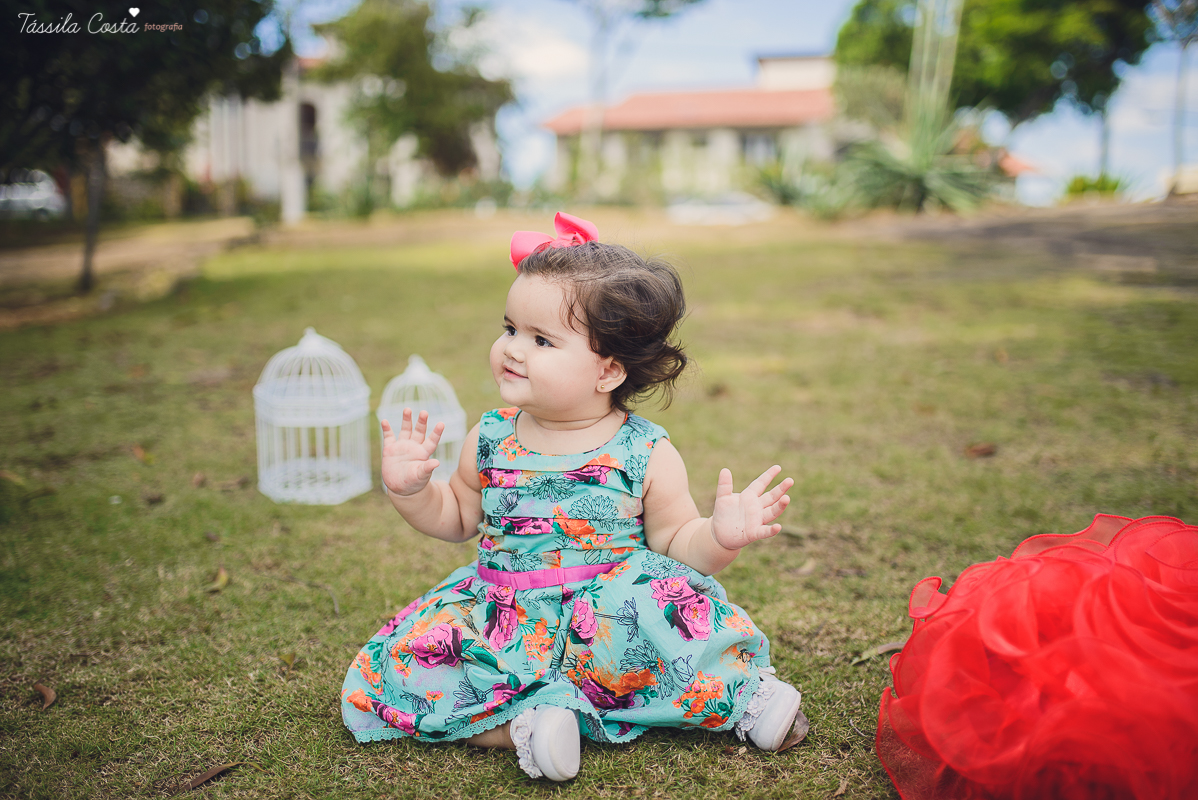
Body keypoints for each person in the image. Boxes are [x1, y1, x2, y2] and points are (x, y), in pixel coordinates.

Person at [341, 212, 807, 781]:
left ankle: (742, 702)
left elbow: (676, 542)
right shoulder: (488, 437)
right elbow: (459, 515)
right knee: (408, 668)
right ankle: (526, 727)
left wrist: (720, 536)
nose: (512, 349)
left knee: (670, 633)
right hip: (507, 617)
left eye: (541, 339)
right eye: (509, 328)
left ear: (608, 370)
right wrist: (411, 491)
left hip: (612, 616)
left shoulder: (644, 451)